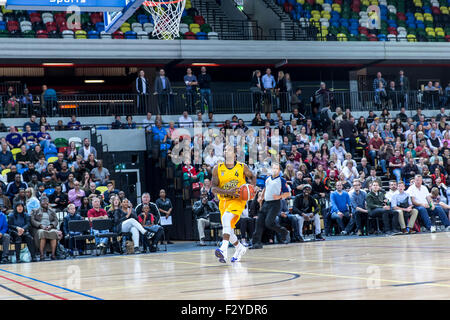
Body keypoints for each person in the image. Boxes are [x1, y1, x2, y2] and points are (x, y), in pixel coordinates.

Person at [211, 145, 256, 262]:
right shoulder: (217, 168)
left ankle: (223, 250)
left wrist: (253, 188)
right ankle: (240, 248)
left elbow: (252, 176)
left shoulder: (242, 167)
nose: (226, 151)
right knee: (229, 230)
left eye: (229, 149)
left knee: (226, 218)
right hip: (224, 201)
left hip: (238, 200)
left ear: (235, 154)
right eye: (225, 149)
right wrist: (227, 192)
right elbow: (213, 189)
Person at [251, 162, 291, 249]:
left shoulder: (282, 180)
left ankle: (283, 231)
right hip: (266, 203)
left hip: (275, 204)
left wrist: (279, 196)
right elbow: (265, 188)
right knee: (259, 222)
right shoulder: (268, 178)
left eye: (276, 168)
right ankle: (256, 243)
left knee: (269, 223)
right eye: (273, 168)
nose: (274, 170)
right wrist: (261, 197)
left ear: (279, 170)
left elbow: (288, 194)